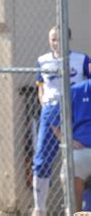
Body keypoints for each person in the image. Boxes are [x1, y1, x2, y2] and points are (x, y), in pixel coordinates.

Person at [32, 26, 90, 215]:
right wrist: (44, 105)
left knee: (79, 157)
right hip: (51, 110)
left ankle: (81, 208)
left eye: (59, 39)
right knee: (42, 159)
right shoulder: (42, 60)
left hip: (74, 110)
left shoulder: (81, 59)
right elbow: (41, 87)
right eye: (53, 39)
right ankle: (39, 207)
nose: (55, 43)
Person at [51, 79, 91, 213]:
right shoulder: (77, 90)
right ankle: (75, 212)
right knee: (70, 170)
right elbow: (54, 118)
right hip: (82, 149)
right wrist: (66, 140)